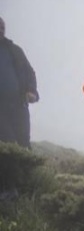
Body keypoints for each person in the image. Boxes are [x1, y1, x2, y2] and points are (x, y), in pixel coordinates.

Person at [0, 16, 37, 148]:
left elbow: (30, 72)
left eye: (3, 27)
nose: (1, 30)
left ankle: (27, 168)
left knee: (24, 144)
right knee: (7, 143)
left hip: (18, 105)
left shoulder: (15, 50)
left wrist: (31, 91)